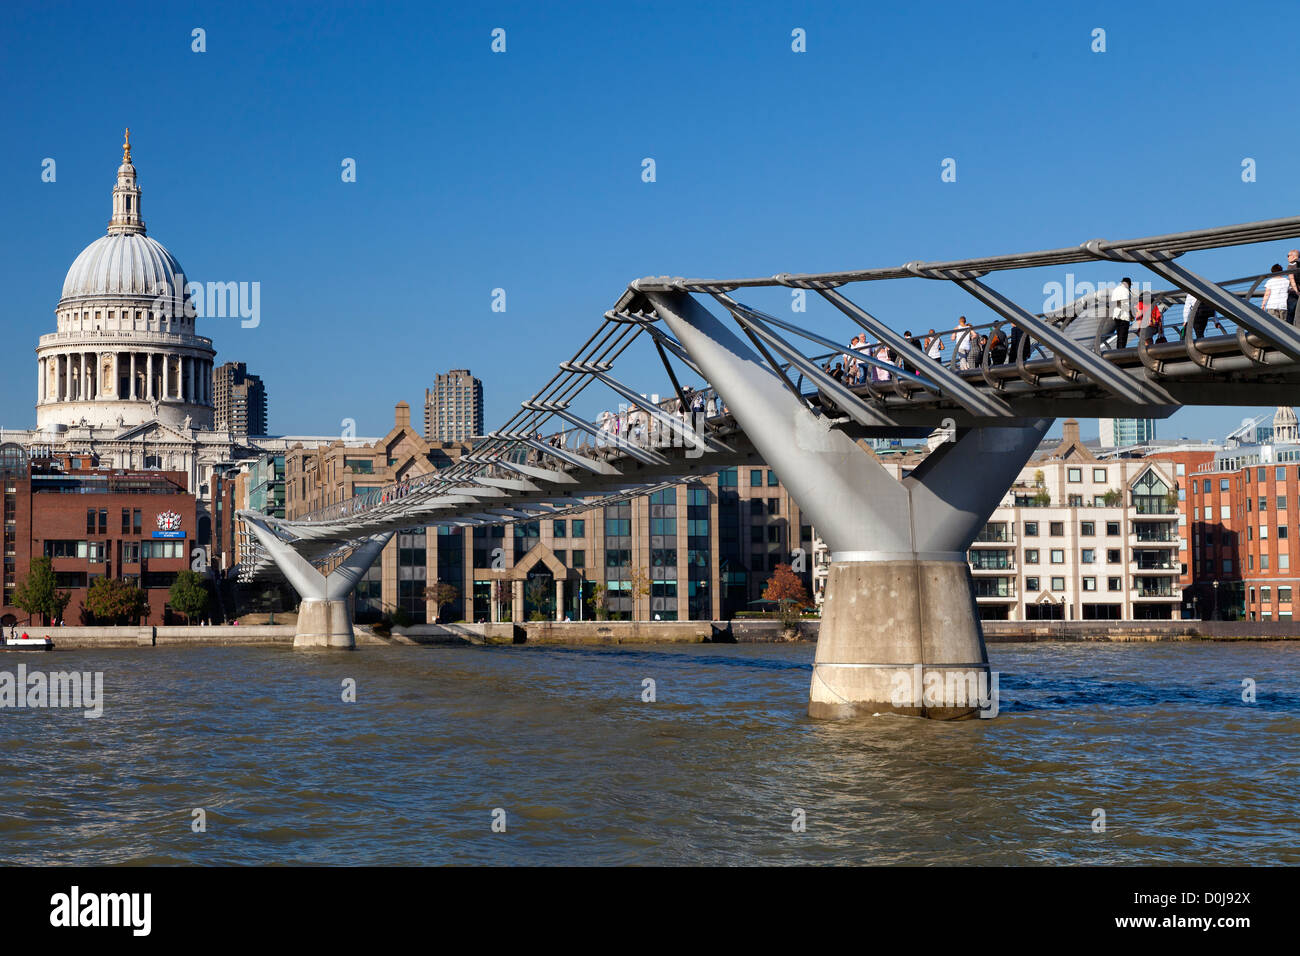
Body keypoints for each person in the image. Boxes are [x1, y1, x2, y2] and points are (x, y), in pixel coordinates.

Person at [1109, 277, 1134, 349]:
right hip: (1124, 315)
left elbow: (1113, 303)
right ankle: (1121, 350)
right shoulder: (1126, 290)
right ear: (1128, 284)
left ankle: (1118, 350)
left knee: (1119, 334)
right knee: (1123, 335)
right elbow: (1126, 304)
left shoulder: (1115, 290)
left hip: (1116, 315)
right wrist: (1131, 314)